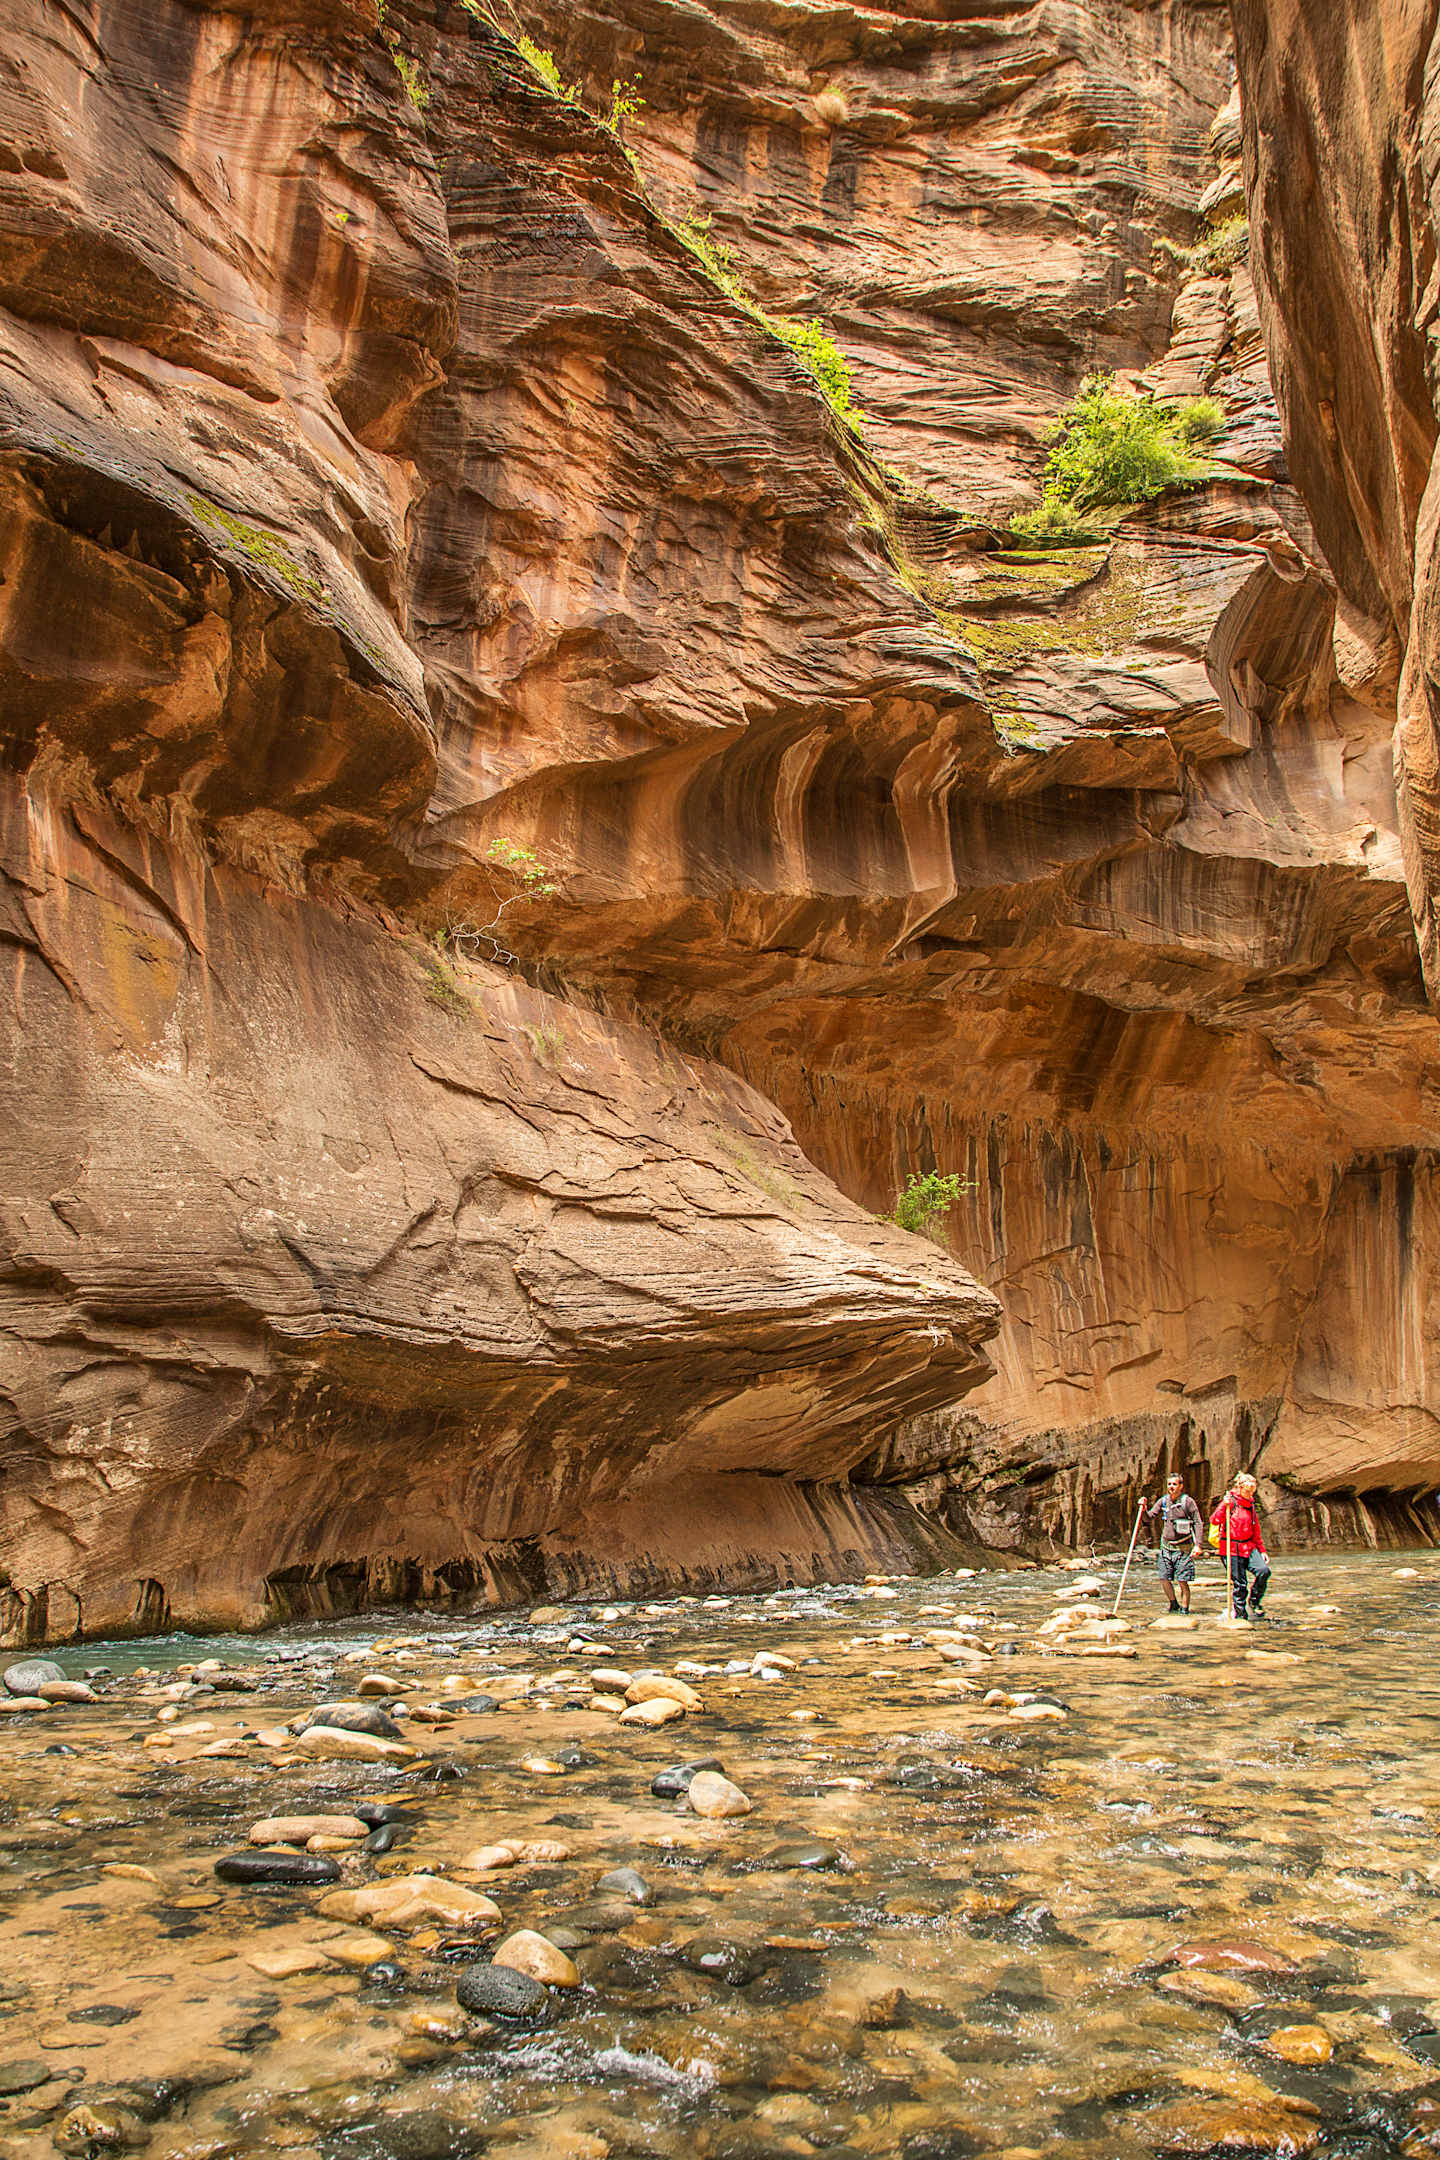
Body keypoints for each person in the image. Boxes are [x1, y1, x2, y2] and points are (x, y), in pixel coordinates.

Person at [1210, 1472, 1272, 1621]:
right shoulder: (1230, 1501)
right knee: (1240, 1584)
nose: (1250, 1494)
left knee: (1263, 1571)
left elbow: (1255, 1530)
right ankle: (1240, 1615)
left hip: (1249, 1547)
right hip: (1231, 1548)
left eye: (1252, 1492)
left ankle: (1254, 1602)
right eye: (1247, 1491)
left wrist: (1262, 1550)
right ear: (1239, 1488)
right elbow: (1214, 1520)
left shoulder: (1250, 1504)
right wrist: (1223, 1506)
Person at [1141, 1472, 1204, 1612]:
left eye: (1174, 1484)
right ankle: (1173, 1603)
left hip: (1183, 1548)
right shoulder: (1163, 1501)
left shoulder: (1188, 1502)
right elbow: (1148, 1518)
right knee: (1164, 1578)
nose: (1171, 1487)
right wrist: (1143, 1509)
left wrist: (1198, 1545)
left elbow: (1198, 1523)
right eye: (1169, 1484)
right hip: (1166, 1548)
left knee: (1182, 1581)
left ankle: (1185, 1610)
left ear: (1181, 1486)